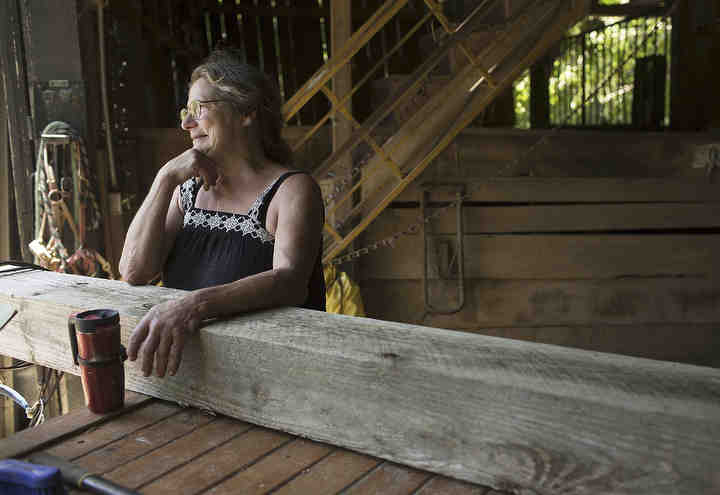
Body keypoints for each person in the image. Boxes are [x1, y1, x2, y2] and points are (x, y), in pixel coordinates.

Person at [119, 49, 326, 379]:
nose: (187, 123)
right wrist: (165, 178)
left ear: (245, 113)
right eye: (186, 112)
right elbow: (134, 271)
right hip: (188, 376)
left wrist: (192, 306)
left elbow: (290, 283)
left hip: (273, 377)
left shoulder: (292, 190)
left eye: (198, 109)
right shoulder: (186, 191)